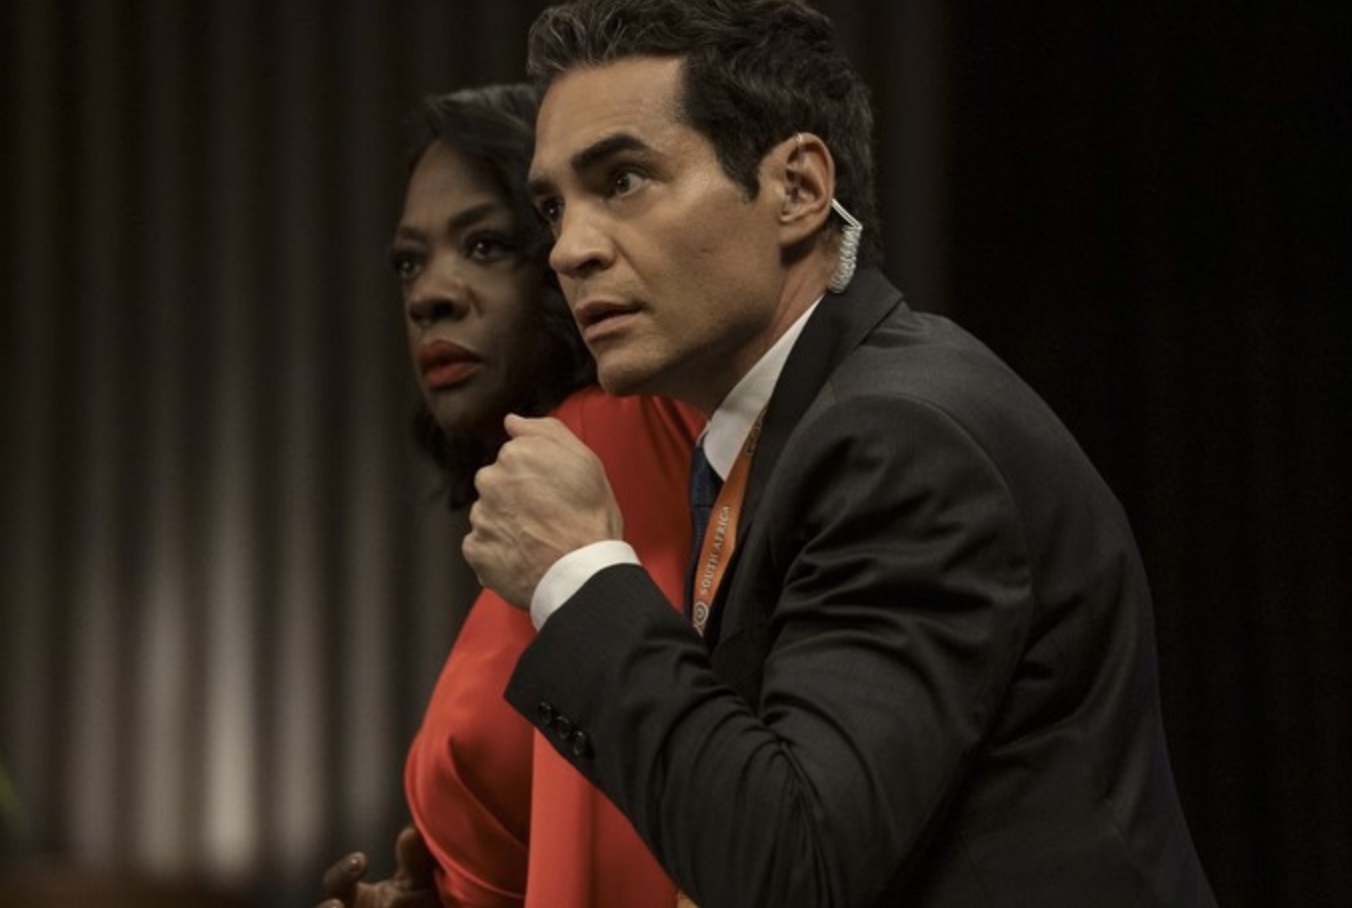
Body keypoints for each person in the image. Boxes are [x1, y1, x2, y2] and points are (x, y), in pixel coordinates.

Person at [461, 2, 1220, 906]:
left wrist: (576, 572)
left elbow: (794, 868)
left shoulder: (897, 440)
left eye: (622, 180)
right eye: (554, 207)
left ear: (798, 189)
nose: (568, 250)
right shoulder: (803, 422)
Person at [316, 83, 703, 908]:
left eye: (486, 246)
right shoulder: (545, 481)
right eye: (409, 263)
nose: (430, 294)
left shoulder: (626, 430)